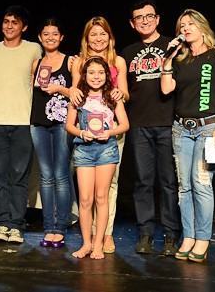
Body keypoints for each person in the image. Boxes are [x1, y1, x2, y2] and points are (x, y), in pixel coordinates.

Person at [160, 9, 215, 263]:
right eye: (182, 25)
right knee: (185, 187)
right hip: (182, 129)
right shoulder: (181, 60)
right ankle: (188, 236)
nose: (186, 28)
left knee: (202, 184)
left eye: (190, 24)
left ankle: (202, 239)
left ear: (202, 27)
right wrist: (168, 58)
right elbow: (167, 87)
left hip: (208, 128)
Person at [70, 16, 128, 253]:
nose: (98, 38)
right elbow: (75, 91)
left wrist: (118, 95)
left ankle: (105, 235)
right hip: (85, 138)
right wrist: (72, 91)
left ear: (110, 36)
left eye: (102, 33)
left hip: (109, 133)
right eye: (93, 34)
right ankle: (89, 238)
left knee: (107, 188)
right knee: (86, 195)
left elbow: (124, 94)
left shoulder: (118, 61)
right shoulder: (79, 62)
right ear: (86, 38)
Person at [0, 6, 41, 244]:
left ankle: (16, 224)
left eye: (14, 22)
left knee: (19, 176)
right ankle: (2, 222)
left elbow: (39, 78)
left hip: (22, 121)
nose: (9, 26)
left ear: (24, 27)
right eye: (6, 21)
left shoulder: (33, 48)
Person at [30, 18, 72, 248]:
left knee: (61, 175)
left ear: (61, 37)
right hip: (38, 123)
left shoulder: (71, 61)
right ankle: (49, 226)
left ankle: (61, 226)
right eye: (46, 34)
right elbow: (32, 90)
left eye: (54, 34)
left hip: (62, 123)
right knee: (46, 176)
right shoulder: (36, 63)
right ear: (40, 37)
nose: (50, 37)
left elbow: (78, 91)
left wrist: (59, 89)